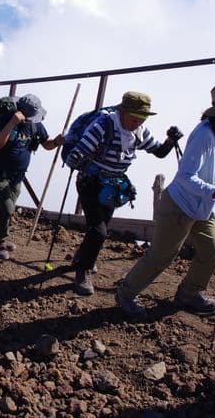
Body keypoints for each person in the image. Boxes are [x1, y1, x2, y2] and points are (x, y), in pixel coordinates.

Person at [116, 80, 215, 318]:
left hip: (202, 209)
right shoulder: (203, 134)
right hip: (179, 206)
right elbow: (185, 177)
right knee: (161, 256)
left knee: (213, 253)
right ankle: (125, 294)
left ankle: (188, 293)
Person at [64, 92, 182, 296]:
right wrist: (75, 157)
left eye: (142, 118)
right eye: (135, 117)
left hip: (113, 186)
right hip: (90, 183)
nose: (138, 122)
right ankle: (82, 272)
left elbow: (159, 152)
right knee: (99, 231)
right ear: (123, 112)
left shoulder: (139, 131)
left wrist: (171, 140)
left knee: (100, 227)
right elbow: (81, 150)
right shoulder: (103, 125)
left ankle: (81, 257)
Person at [0, 94, 62, 260]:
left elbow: (46, 143)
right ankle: (0, 243)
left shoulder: (35, 125)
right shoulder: (3, 120)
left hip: (18, 175)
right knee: (7, 208)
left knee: (5, 209)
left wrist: (56, 142)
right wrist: (12, 123)